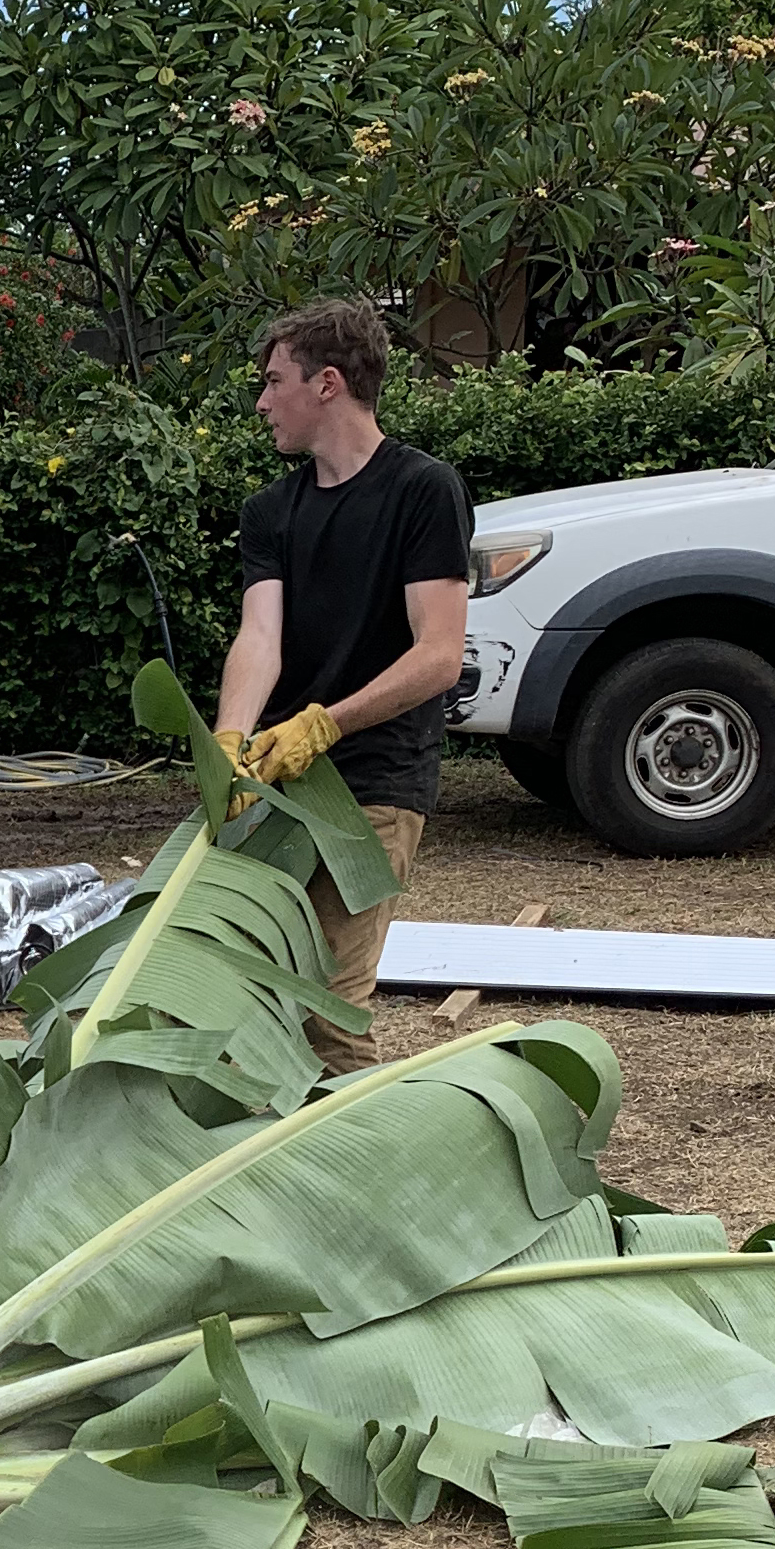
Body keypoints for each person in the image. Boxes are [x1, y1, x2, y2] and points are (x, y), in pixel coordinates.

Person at [212, 299, 472, 1073]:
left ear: (327, 384)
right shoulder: (270, 512)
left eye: (272, 382)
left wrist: (325, 723)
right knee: (245, 998)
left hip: (378, 784)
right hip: (280, 783)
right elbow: (260, 638)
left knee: (329, 1011)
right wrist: (231, 738)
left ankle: (352, 1174)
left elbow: (439, 655)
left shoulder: (423, 490)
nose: (261, 403)